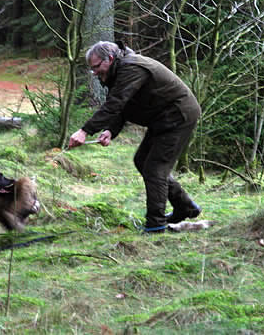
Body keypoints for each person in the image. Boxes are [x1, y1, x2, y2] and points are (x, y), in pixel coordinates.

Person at [68, 41, 202, 233]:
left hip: (178, 115)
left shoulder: (132, 68)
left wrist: (84, 131)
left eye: (97, 67)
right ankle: (185, 207)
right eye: (92, 69)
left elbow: (115, 103)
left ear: (110, 59)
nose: (95, 72)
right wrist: (110, 131)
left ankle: (155, 225)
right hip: (162, 118)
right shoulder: (116, 71)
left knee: (155, 168)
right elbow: (123, 105)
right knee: (142, 160)